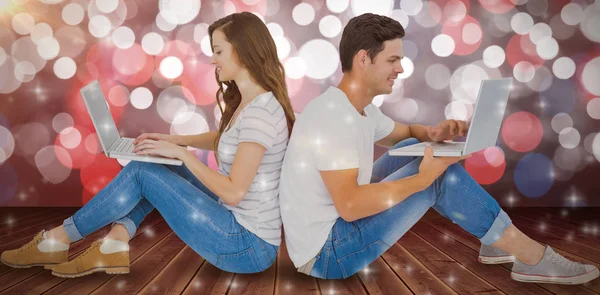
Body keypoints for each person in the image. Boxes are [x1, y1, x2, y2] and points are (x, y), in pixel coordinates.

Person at [278, 13, 599, 284]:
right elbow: (349, 206)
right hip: (327, 254)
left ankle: (496, 241)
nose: (400, 69)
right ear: (363, 59)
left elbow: (406, 133)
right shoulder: (334, 117)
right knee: (434, 175)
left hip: (331, 230)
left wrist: (435, 131)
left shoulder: (359, 109)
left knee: (413, 145)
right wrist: (422, 179)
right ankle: (528, 254)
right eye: (392, 60)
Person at [1, 12, 295, 278]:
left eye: (218, 51)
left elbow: (234, 191)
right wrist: (176, 141)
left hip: (246, 246)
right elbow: (230, 140)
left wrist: (182, 153)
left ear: (243, 52)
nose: (213, 60)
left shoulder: (259, 114)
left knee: (145, 173)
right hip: (237, 226)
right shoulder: (252, 102)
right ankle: (114, 244)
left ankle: (57, 241)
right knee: (157, 163)